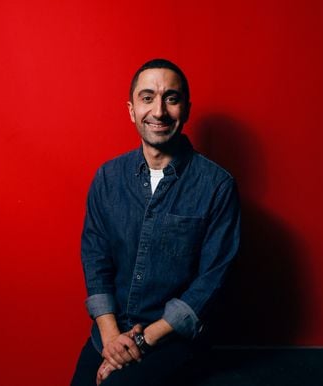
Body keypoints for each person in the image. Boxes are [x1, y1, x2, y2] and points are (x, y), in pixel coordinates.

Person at [70, 58, 241, 386]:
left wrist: (141, 341)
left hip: (174, 339)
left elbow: (211, 283)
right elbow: (96, 261)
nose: (159, 111)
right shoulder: (107, 178)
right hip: (112, 332)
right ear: (132, 110)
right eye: (147, 98)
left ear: (186, 110)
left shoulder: (217, 186)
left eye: (171, 99)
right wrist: (111, 339)